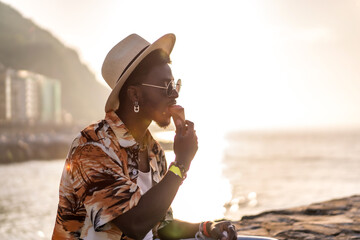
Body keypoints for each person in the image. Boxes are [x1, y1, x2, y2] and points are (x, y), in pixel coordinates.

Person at [52, 33, 275, 240]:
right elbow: (136, 224)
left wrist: (206, 227)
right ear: (135, 94)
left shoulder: (153, 150)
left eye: (175, 84)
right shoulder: (93, 148)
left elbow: (159, 225)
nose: (175, 94)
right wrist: (181, 163)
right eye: (166, 86)